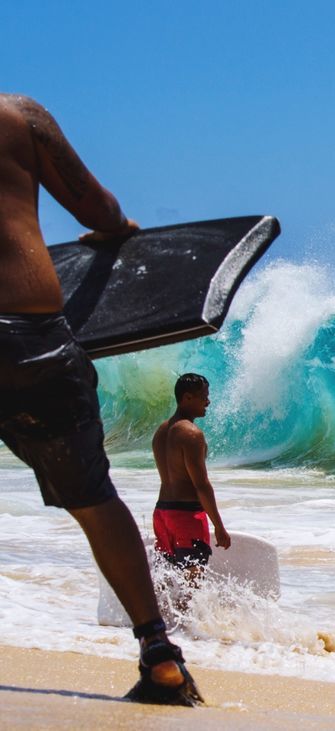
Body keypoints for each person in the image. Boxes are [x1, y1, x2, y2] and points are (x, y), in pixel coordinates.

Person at [0, 93, 202, 705]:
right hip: (28, 334)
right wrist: (117, 230)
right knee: (92, 498)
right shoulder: (18, 117)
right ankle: (158, 652)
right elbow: (93, 202)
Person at [152, 373, 230, 589]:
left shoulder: (161, 431)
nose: (208, 401)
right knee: (193, 587)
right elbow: (201, 485)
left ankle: (163, 623)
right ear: (187, 398)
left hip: (162, 514)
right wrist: (219, 527)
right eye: (203, 396)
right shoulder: (191, 433)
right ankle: (190, 624)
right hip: (186, 517)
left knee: (167, 585)